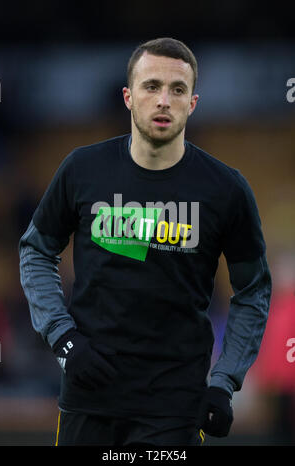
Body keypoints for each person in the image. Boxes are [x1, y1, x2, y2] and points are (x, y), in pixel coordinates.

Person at [19, 37, 272, 446]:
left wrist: (224, 382)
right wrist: (62, 338)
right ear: (128, 96)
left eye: (177, 90)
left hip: (175, 410)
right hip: (89, 400)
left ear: (192, 103)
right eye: (151, 86)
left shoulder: (226, 189)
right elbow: (36, 251)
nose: (163, 101)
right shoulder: (82, 170)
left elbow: (253, 290)